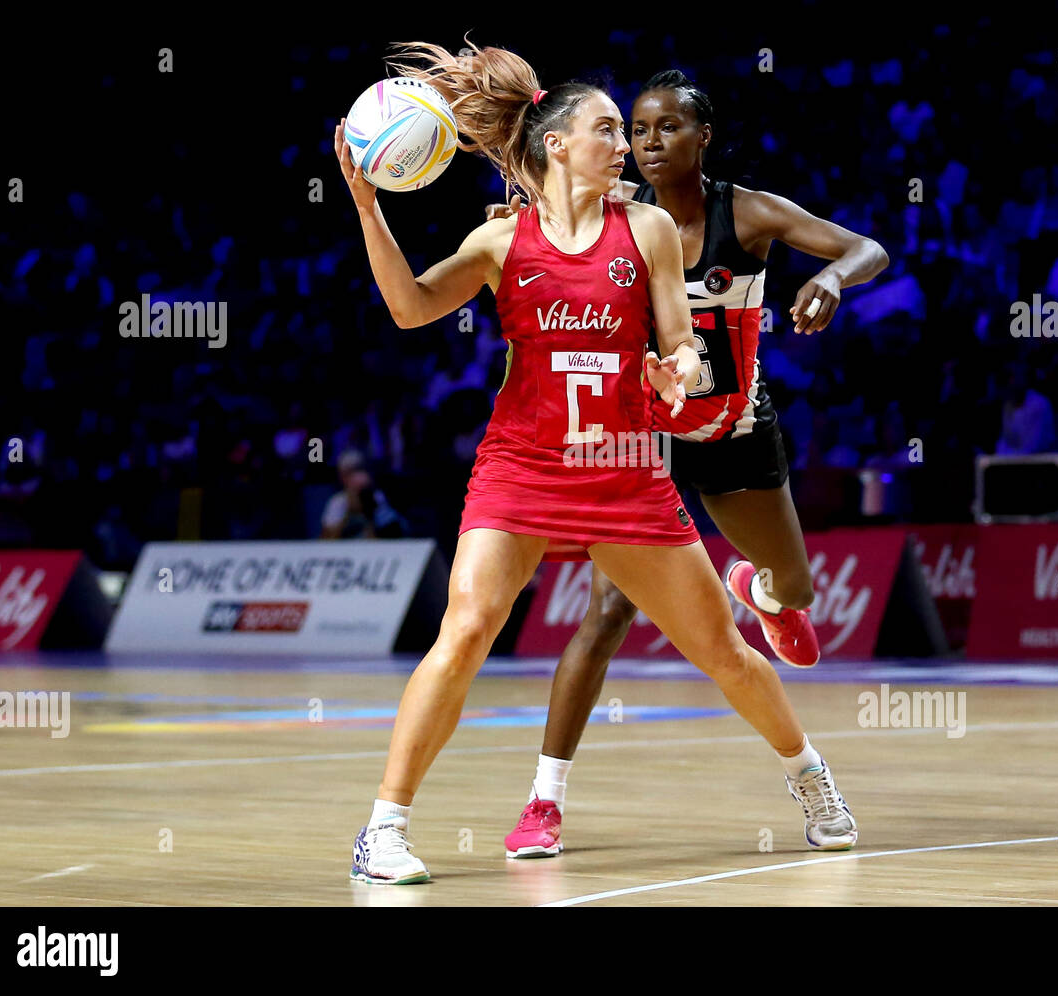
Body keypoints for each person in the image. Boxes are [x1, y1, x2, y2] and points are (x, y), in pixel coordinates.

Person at [335, 41, 857, 885]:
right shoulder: (501, 240)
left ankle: (813, 780)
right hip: (522, 469)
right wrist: (367, 206)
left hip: (625, 470)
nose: (626, 146)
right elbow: (408, 306)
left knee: (723, 651)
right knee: (464, 630)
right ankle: (383, 829)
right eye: (608, 129)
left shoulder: (645, 229)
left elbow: (686, 347)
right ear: (556, 145)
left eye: (626, 131)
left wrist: (674, 375)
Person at [488, 70, 887, 858]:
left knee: (800, 595)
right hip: (644, 443)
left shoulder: (750, 212)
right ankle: (543, 801)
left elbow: (867, 246)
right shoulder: (610, 218)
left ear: (702, 138)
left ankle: (753, 586)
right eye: (636, 130)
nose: (647, 142)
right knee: (604, 616)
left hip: (736, 430)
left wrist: (833, 277)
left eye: (667, 128)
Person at [319, 449, 404, 539]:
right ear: (342, 476)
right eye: (350, 472)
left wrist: (368, 512)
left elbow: (392, 534)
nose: (357, 476)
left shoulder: (377, 497)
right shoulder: (337, 502)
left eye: (359, 469)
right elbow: (327, 540)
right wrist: (349, 512)